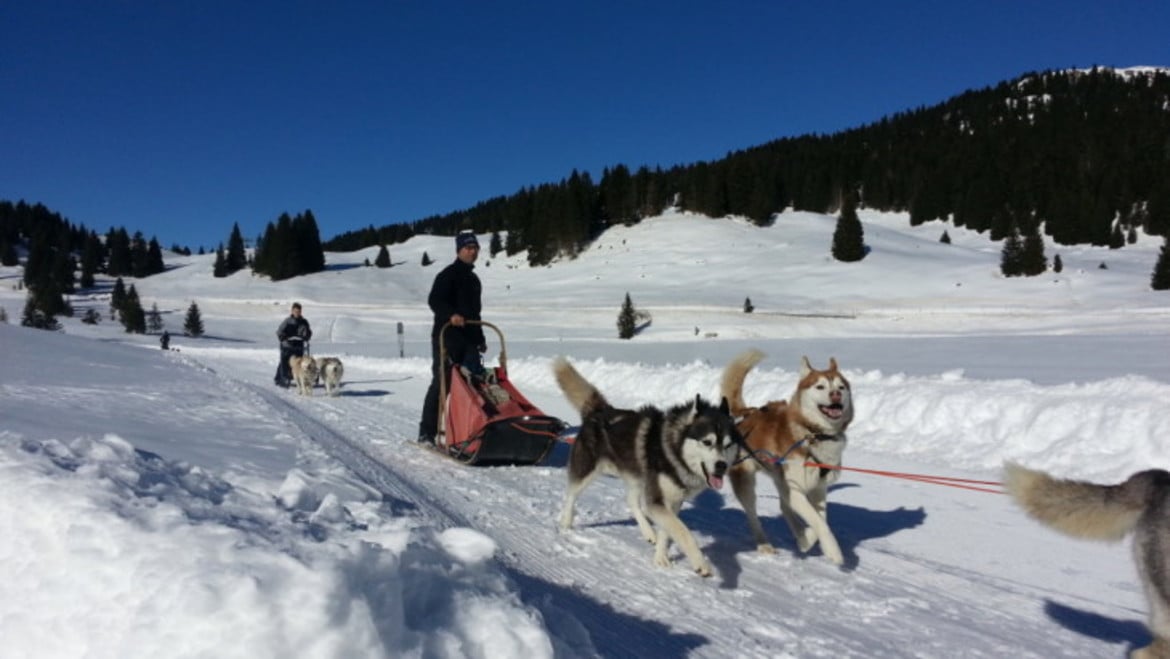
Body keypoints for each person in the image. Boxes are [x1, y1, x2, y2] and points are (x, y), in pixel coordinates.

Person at [418, 232, 485, 444]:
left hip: (469, 339)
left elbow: (475, 313)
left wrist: (480, 337)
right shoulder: (448, 275)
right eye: (468, 248)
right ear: (459, 250)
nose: (472, 251)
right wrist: (451, 314)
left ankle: (471, 432)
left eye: (475, 248)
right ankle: (426, 433)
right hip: (447, 336)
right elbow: (435, 300)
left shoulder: (474, 280)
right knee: (442, 383)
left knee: (474, 385)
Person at [274, 302, 312, 387]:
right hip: (287, 345)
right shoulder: (287, 321)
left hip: (299, 345)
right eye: (295, 311)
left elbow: (308, 332)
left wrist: (307, 336)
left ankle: (300, 377)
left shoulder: (304, 322)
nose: (297, 313)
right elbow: (279, 331)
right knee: (284, 361)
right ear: (292, 311)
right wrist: (283, 337)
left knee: (298, 362)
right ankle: (281, 378)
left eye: (298, 311)